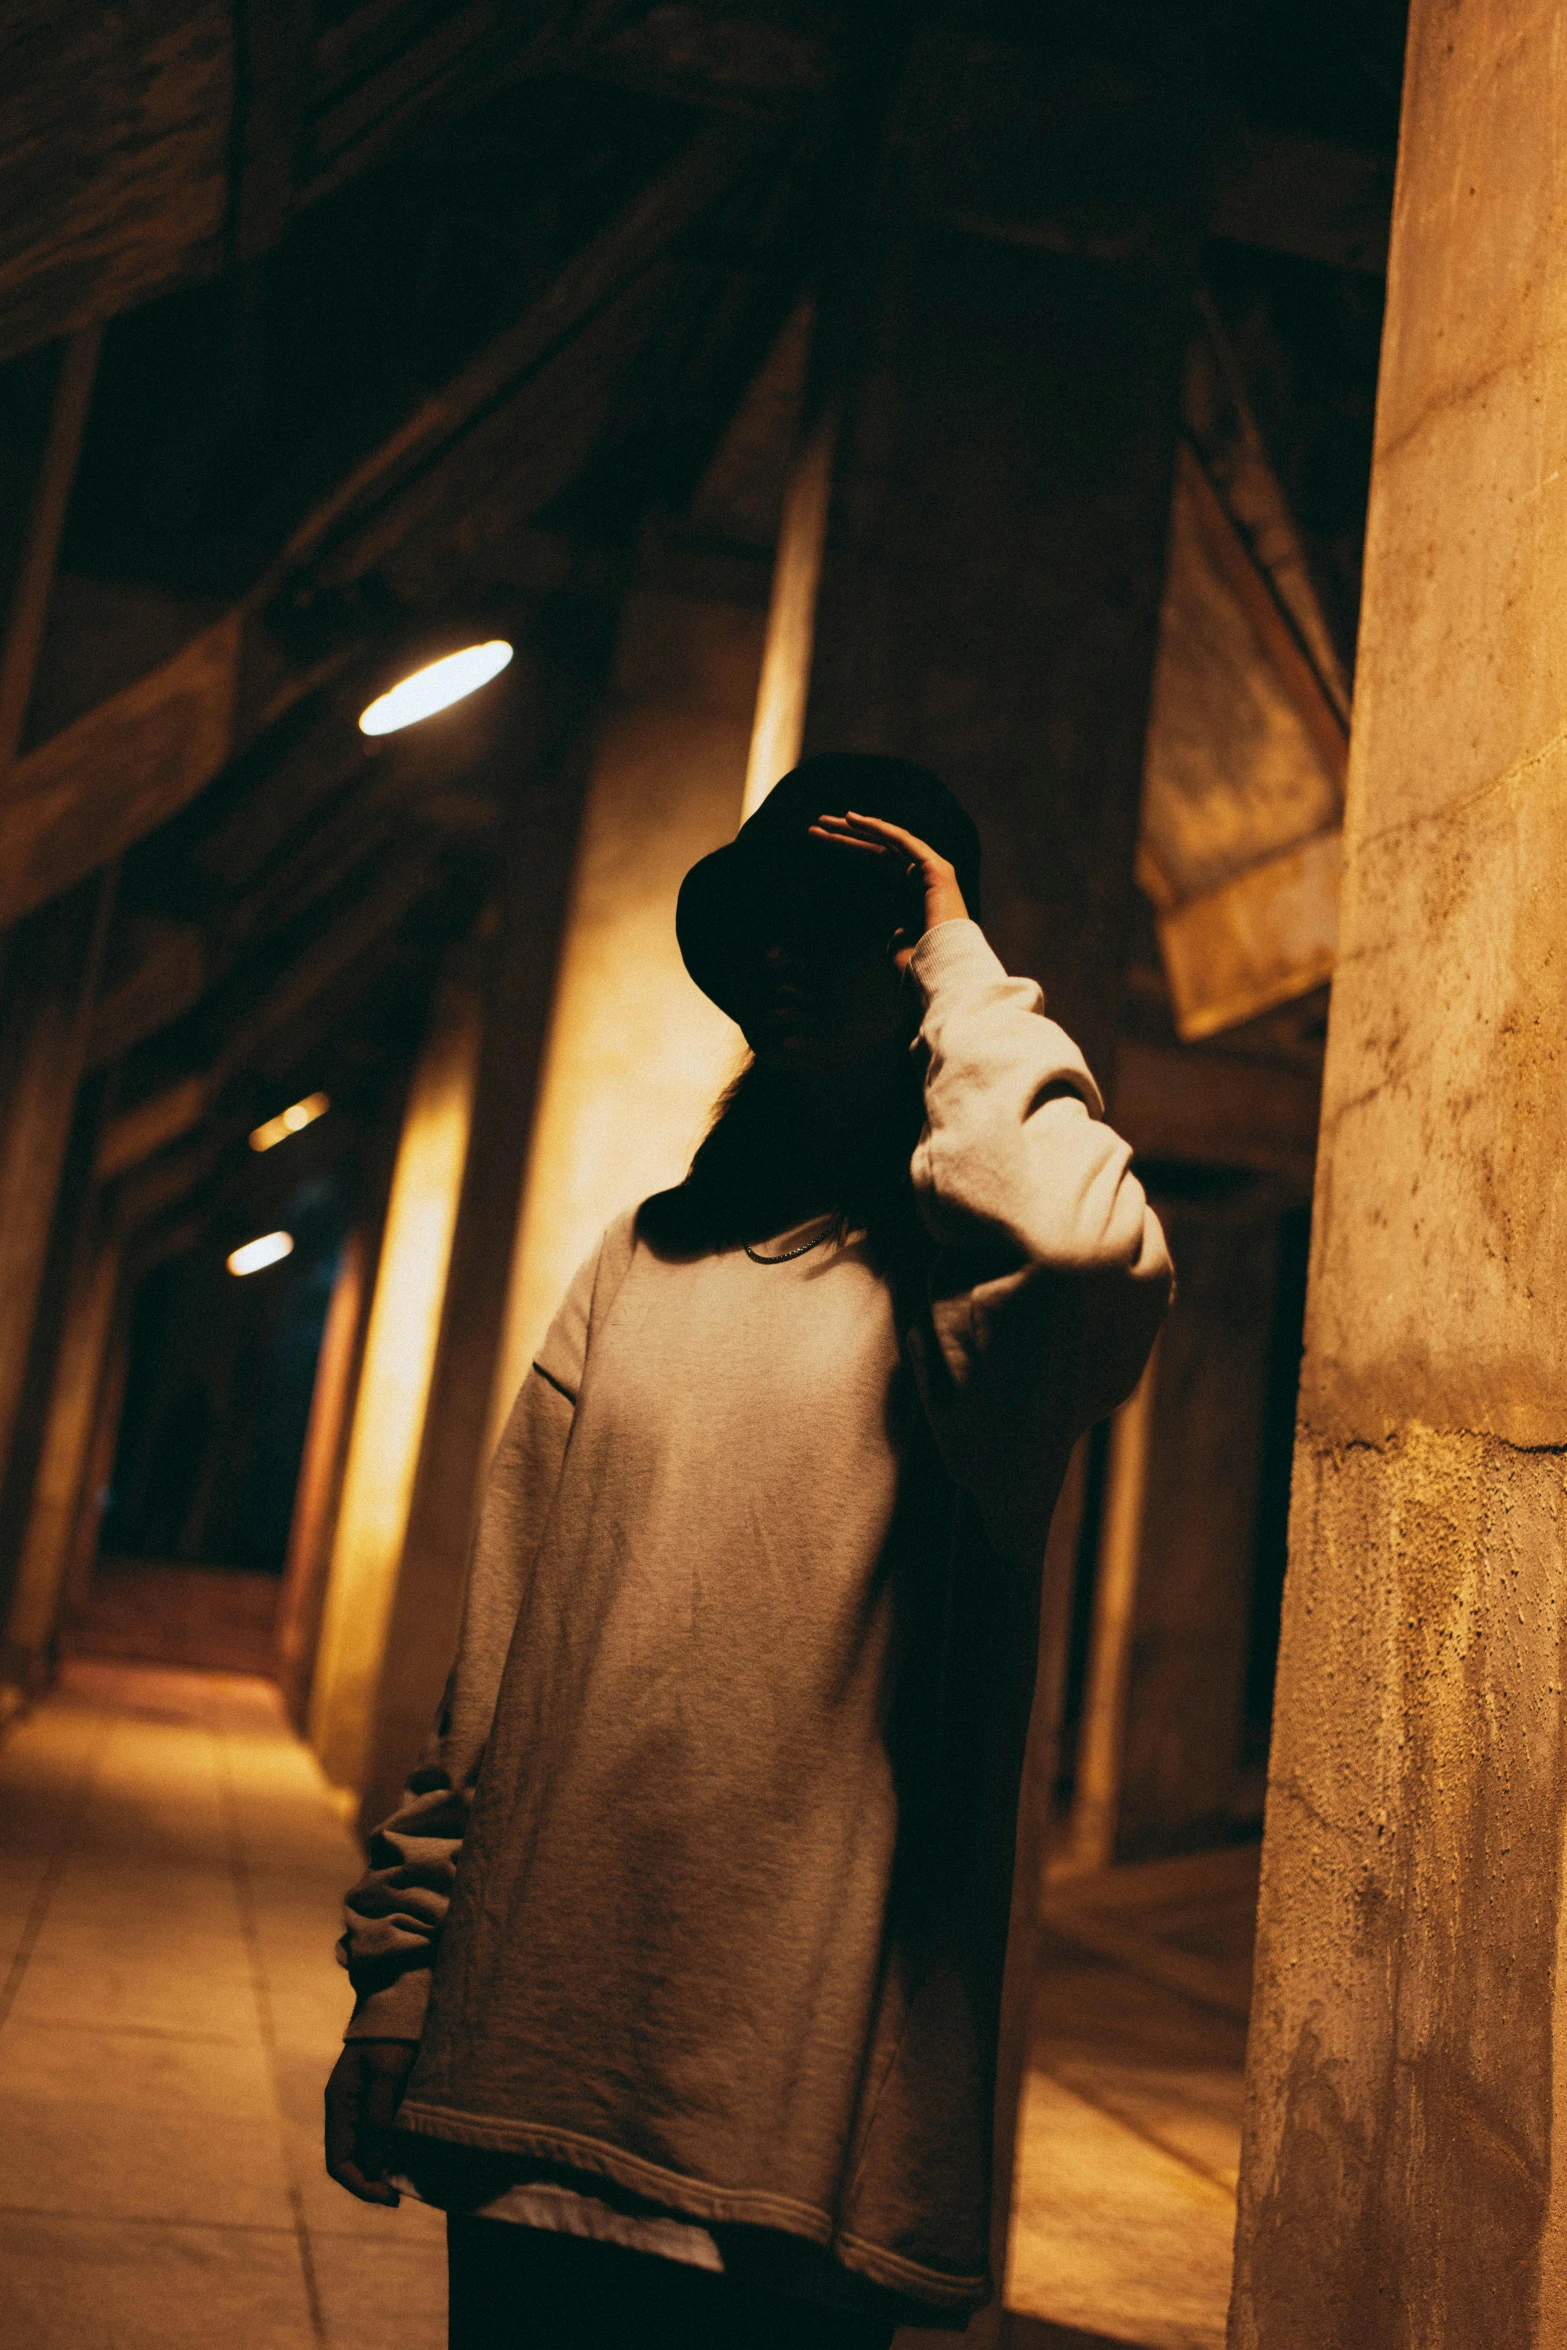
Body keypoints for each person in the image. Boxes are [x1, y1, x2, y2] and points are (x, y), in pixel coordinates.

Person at [325, 752, 1172, 2348]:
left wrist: (962, 963)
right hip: (530, 2066)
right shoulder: (641, 1254)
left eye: (838, 917)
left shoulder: (977, 1314)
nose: (783, 953)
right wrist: (400, 1968)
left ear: (916, 962)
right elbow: (497, 1663)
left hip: (784, 2132)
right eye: (759, 920)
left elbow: (1073, 1234)